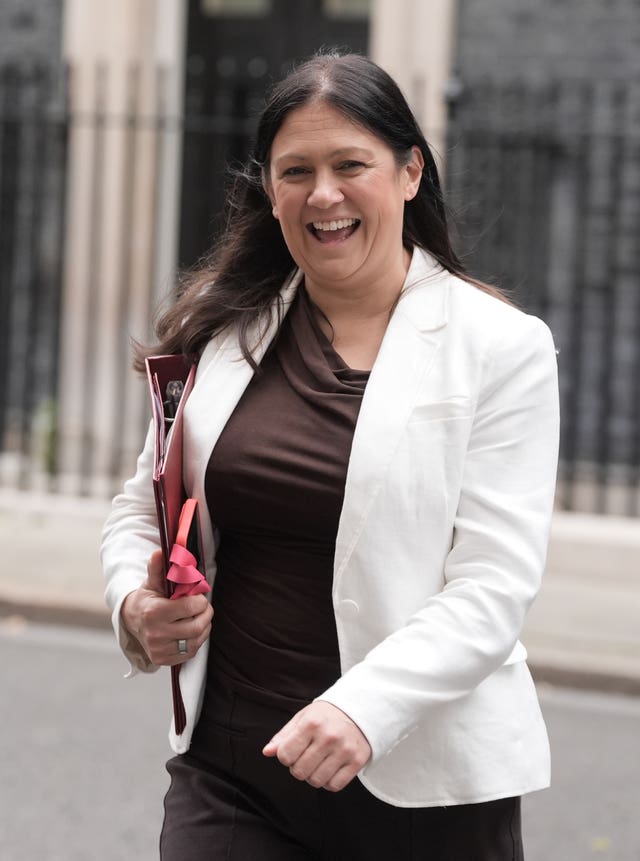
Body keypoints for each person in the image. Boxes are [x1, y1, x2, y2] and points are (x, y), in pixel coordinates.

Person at [101, 51, 559, 860]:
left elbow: (493, 584)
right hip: (234, 771)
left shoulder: (500, 347)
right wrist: (135, 607)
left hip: (426, 789)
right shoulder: (222, 329)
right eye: (296, 171)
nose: (323, 193)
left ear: (410, 172)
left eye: (351, 165)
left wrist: (362, 707)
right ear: (270, 190)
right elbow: (144, 505)